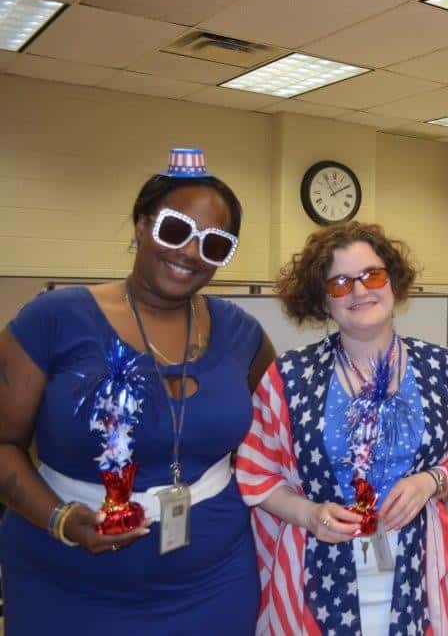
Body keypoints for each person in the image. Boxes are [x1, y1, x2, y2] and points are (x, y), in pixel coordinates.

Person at [0, 148, 276, 634]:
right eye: (175, 230)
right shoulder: (53, 319)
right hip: (66, 578)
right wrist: (61, 520)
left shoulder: (242, 334)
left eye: (215, 244)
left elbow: (281, 437)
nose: (191, 252)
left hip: (214, 577)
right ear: (142, 225)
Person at [236, 221, 448, 635]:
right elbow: (257, 474)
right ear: (324, 301)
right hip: (319, 576)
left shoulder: (441, 368)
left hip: (421, 576)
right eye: (341, 283)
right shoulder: (290, 376)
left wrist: (431, 482)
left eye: (372, 275)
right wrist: (309, 515)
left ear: (393, 282)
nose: (361, 291)